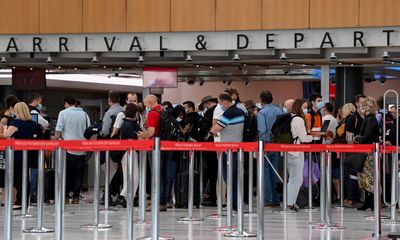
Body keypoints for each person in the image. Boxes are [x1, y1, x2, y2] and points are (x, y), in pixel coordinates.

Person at [210, 93, 246, 211]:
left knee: (228, 177)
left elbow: (215, 129)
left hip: (227, 149)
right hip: (238, 147)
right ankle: (236, 203)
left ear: (225, 102)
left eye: (221, 104)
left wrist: (213, 130)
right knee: (236, 178)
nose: (221, 106)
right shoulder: (240, 111)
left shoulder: (228, 113)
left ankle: (232, 203)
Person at [4, 102, 42, 209]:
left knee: (17, 178)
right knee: (25, 177)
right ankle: (25, 200)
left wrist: (5, 127)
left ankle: (21, 200)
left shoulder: (16, 122)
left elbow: (7, 134)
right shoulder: (33, 124)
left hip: (17, 154)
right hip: (29, 153)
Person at [55, 95, 91, 204]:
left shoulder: (63, 113)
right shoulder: (84, 114)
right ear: (75, 103)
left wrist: (57, 139)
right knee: (79, 174)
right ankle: (76, 197)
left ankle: (66, 196)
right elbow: (88, 130)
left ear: (66, 103)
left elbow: (58, 130)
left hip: (67, 148)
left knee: (66, 173)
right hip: (81, 149)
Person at [138, 94, 170, 211]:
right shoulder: (163, 111)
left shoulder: (152, 113)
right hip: (166, 146)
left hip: (155, 146)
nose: (146, 107)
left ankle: (157, 202)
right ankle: (163, 202)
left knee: (156, 174)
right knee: (164, 174)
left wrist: (143, 135)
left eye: (146, 104)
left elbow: (151, 132)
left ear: (150, 102)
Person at [257, 90, 282, 207]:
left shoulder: (262, 113)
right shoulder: (279, 111)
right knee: (275, 170)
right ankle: (276, 199)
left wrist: (262, 145)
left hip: (266, 144)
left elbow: (262, 130)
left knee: (264, 172)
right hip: (276, 144)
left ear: (261, 100)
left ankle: (266, 198)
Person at [287, 99, 313, 211]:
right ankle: (290, 203)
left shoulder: (291, 117)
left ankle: (290, 202)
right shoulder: (298, 119)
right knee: (296, 179)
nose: (306, 109)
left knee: (293, 178)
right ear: (299, 107)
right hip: (296, 151)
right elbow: (303, 138)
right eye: (304, 107)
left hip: (290, 151)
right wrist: (311, 137)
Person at [356, 96, 380, 211]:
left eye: (364, 105)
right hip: (368, 151)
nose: (362, 107)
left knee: (369, 178)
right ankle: (368, 202)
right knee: (367, 178)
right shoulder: (370, 118)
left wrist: (358, 139)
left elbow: (366, 136)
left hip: (369, 152)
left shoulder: (370, 119)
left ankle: (372, 202)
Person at [343, 94, 366, 208]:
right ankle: (352, 198)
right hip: (354, 151)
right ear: (356, 103)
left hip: (364, 150)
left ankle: (359, 198)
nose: (363, 104)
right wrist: (352, 148)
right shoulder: (353, 117)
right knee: (353, 175)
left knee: (359, 175)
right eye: (361, 102)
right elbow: (348, 135)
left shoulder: (365, 117)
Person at [116, 103, 141, 207]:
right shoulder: (129, 124)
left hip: (127, 152)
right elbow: (135, 138)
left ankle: (127, 198)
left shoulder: (127, 123)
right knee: (134, 176)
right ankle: (123, 196)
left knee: (129, 176)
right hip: (129, 152)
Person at [198, 95, 219, 206]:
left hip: (209, 145)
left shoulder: (209, 112)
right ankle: (214, 196)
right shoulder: (220, 110)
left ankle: (212, 197)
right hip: (219, 144)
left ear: (207, 103)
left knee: (212, 171)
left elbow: (204, 129)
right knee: (216, 171)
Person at [0, 95, 19, 197]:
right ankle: (5, 198)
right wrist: (8, 134)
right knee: (4, 174)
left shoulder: (13, 118)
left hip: (11, 150)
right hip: (4, 151)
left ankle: (12, 198)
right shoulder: (4, 119)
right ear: (11, 107)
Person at [321, 102, 339, 202]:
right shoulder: (335, 120)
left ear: (325, 108)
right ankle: (335, 195)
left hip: (324, 147)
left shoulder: (324, 119)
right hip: (333, 147)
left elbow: (322, 133)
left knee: (325, 172)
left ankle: (327, 194)